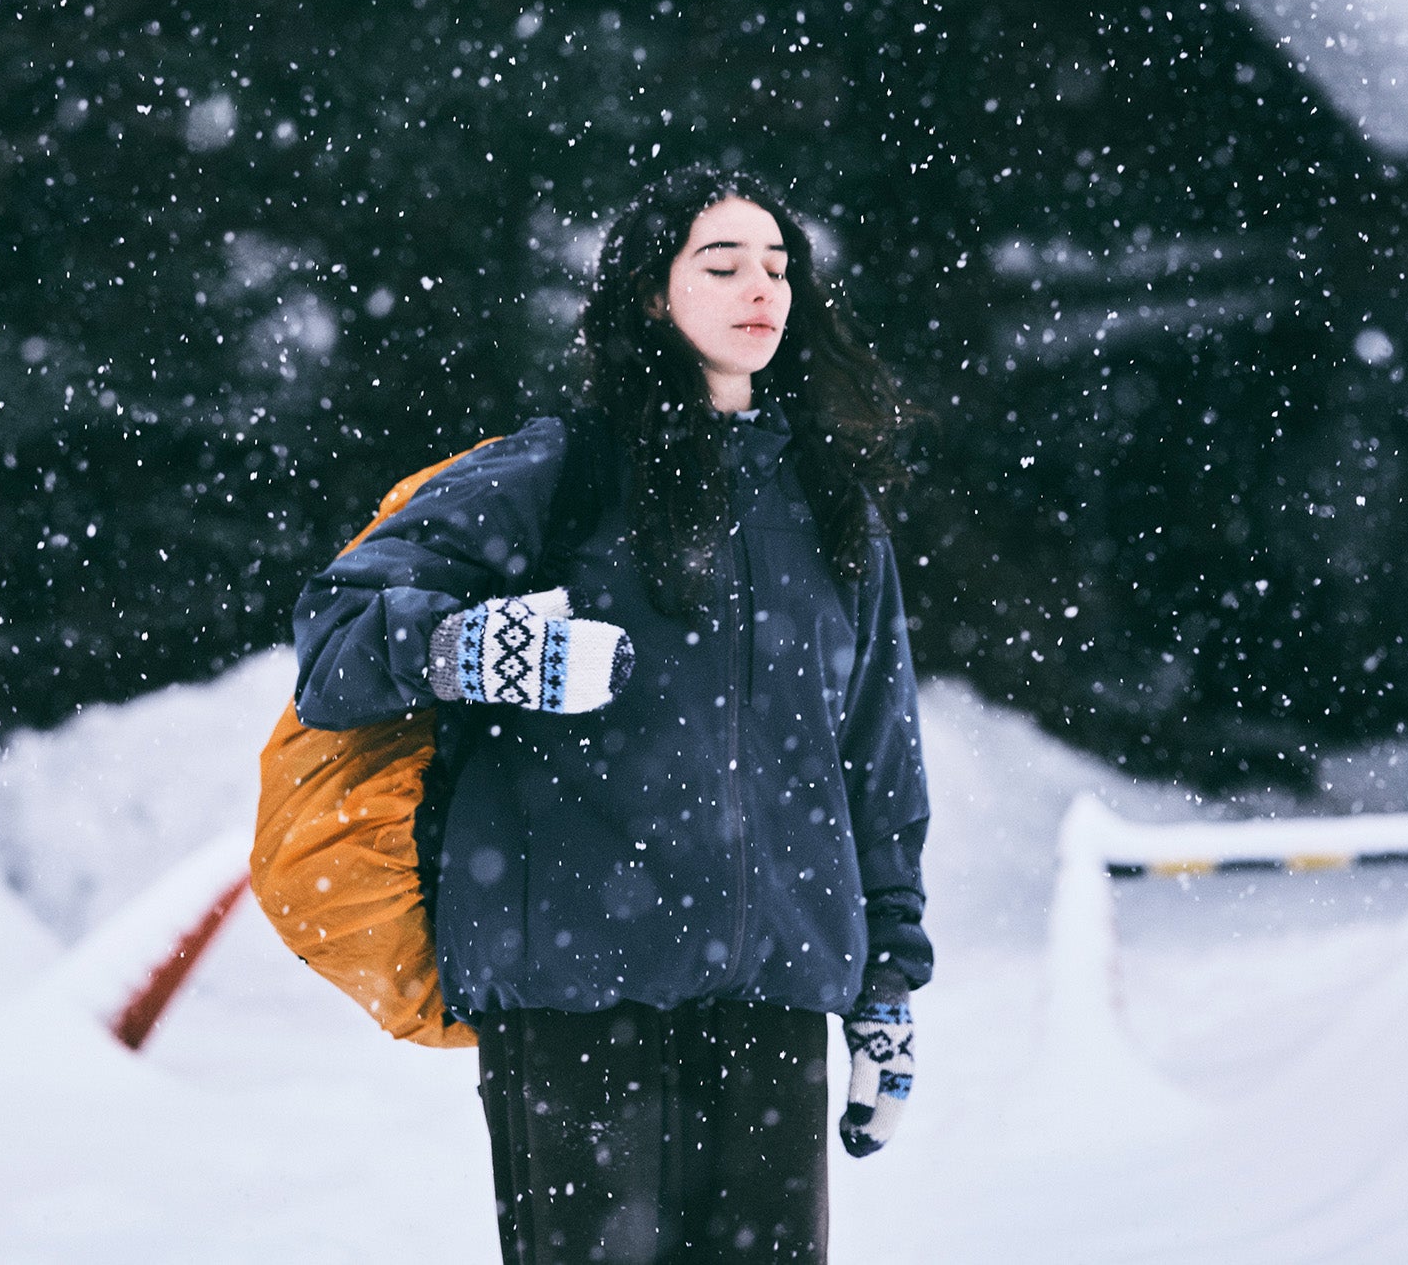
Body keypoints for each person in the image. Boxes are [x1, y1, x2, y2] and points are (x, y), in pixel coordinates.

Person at [293, 164, 932, 1264]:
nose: (761, 289)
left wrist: (887, 985)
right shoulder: (559, 472)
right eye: (721, 265)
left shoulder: (831, 505)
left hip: (774, 991)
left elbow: (877, 759)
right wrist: (469, 650)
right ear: (651, 293)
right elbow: (333, 641)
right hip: (575, 988)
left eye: (778, 266)